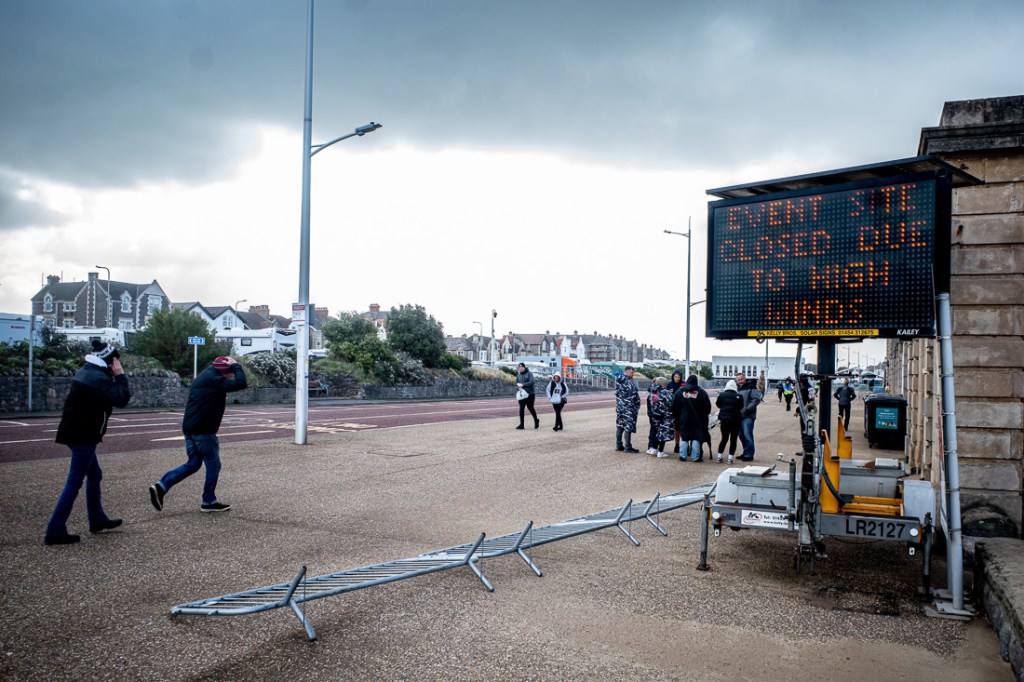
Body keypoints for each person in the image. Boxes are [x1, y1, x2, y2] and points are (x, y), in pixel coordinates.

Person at [45, 340, 131, 545]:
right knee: (75, 481)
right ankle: (55, 529)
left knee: (94, 474)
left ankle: (97, 518)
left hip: (77, 430)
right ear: (112, 361)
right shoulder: (97, 378)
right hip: (83, 433)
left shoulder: (89, 370)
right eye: (116, 361)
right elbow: (121, 398)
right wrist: (120, 375)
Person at [149, 356, 247, 513]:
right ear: (225, 371)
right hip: (203, 430)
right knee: (214, 464)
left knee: (193, 463)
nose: (231, 376)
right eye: (230, 373)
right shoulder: (214, 379)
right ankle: (208, 501)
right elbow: (241, 383)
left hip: (190, 428)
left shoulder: (206, 375)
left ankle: (161, 486)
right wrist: (236, 366)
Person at [671, 374, 712, 462]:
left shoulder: (680, 391)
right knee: (696, 437)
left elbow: (674, 406)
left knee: (684, 437)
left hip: (683, 418)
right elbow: (707, 407)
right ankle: (696, 457)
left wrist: (678, 416)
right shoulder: (701, 392)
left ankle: (683, 456)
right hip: (698, 419)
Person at [715, 379, 744, 464]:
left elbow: (718, 404)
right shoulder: (739, 396)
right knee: (733, 439)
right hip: (735, 420)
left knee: (724, 438)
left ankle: (719, 457)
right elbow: (741, 406)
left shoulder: (722, 395)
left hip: (724, 419)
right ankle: (730, 458)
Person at [735, 372, 763, 461]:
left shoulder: (751, 387)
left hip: (748, 416)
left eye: (741, 379)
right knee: (741, 435)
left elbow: (756, 399)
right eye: (738, 380)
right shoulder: (736, 388)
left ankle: (749, 454)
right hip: (738, 416)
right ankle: (746, 452)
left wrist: (746, 409)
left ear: (745, 378)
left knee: (747, 434)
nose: (740, 381)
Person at [645, 377, 675, 457]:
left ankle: (653, 449)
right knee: (663, 433)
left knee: (656, 432)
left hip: (654, 415)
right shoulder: (666, 392)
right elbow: (672, 403)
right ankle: (660, 451)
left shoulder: (652, 392)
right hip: (665, 416)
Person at [614, 366, 641, 453]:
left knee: (620, 426)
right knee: (628, 427)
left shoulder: (618, 381)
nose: (632, 374)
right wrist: (636, 406)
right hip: (628, 408)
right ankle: (628, 446)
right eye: (632, 372)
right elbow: (633, 395)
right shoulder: (628, 382)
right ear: (627, 372)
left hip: (620, 407)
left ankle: (619, 445)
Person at [514, 362, 539, 430]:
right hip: (522, 395)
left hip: (530, 394)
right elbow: (516, 384)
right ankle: (522, 424)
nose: (520, 368)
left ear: (524, 367)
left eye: (522, 367)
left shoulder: (529, 374)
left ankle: (536, 420)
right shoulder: (518, 376)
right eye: (519, 367)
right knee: (521, 409)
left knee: (530, 407)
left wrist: (524, 385)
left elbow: (532, 382)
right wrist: (518, 387)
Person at [667, 369, 685, 453]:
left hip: (683, 409)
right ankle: (677, 444)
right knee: (676, 429)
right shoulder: (670, 385)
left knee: (684, 428)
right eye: (675, 376)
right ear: (673, 377)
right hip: (674, 409)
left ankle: (684, 444)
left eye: (678, 377)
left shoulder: (684, 384)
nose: (677, 378)